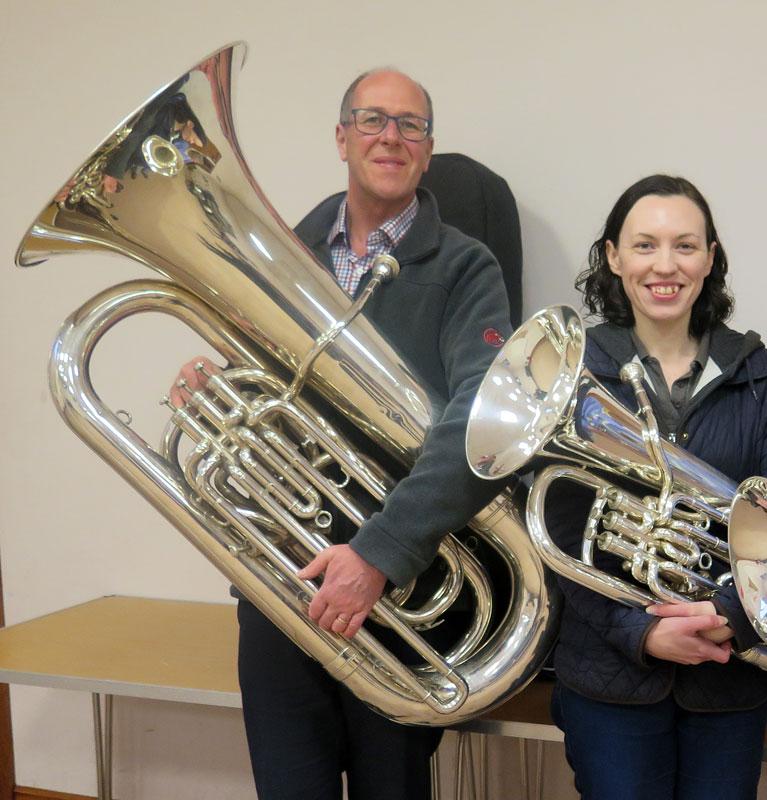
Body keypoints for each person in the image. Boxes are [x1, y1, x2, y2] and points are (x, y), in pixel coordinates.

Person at [172, 68, 515, 799]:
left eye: (410, 125)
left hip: (398, 588)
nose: (391, 136)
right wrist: (216, 386)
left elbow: (481, 419)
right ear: (341, 137)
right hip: (281, 580)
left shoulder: (463, 266)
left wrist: (378, 554)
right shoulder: (280, 257)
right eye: (371, 119)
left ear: (428, 149)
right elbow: (264, 394)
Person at [545, 174, 767, 799]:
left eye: (685, 246)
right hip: (609, 675)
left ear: (710, 258)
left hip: (729, 675)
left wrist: (726, 615)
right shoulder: (574, 373)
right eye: (644, 246)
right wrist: (639, 631)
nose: (665, 265)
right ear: (614, 258)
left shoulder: (761, 376)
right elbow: (559, 534)